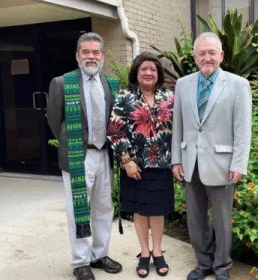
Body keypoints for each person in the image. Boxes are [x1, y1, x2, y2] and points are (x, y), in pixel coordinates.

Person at [171, 32, 252, 280]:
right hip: (190, 163)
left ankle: (222, 268)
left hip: (223, 164)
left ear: (221, 55)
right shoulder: (183, 84)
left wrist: (239, 163)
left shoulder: (238, 85)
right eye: (202, 53)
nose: (207, 57)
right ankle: (203, 263)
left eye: (212, 52)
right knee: (195, 220)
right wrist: (176, 159)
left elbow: (243, 128)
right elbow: (179, 125)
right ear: (194, 57)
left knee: (222, 221)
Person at [47, 32, 122, 280]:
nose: (92, 57)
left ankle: (99, 255)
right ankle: (80, 261)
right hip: (79, 155)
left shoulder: (111, 83)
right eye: (86, 52)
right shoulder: (62, 83)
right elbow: (54, 121)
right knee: (77, 209)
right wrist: (74, 142)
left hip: (104, 154)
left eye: (96, 52)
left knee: (103, 207)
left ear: (102, 56)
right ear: (78, 55)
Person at [107, 52, 174, 278]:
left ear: (158, 74)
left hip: (162, 164)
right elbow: (115, 129)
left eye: (153, 69)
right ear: (136, 72)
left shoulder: (168, 97)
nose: (148, 72)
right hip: (135, 165)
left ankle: (157, 251)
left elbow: (180, 128)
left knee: (157, 210)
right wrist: (126, 161)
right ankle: (144, 253)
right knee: (140, 210)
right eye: (143, 68)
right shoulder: (125, 96)